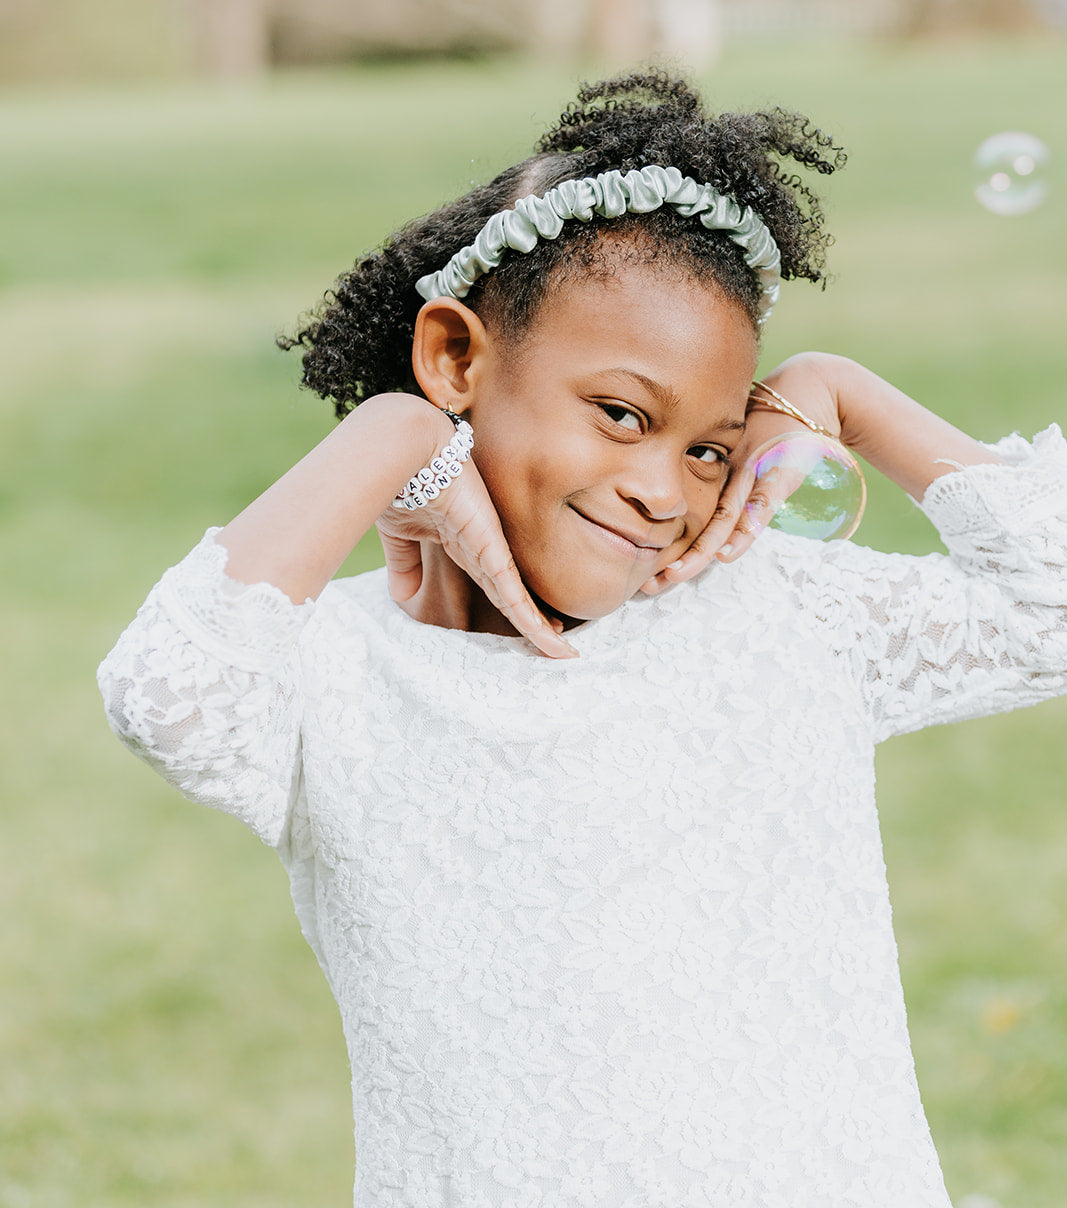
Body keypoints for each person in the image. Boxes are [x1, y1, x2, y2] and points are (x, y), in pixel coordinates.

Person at [96, 70, 1067, 1208]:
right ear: (456, 358)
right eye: (621, 414)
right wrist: (391, 436)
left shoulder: (774, 610)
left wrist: (840, 392)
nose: (662, 491)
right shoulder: (337, 672)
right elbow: (169, 693)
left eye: (706, 448)